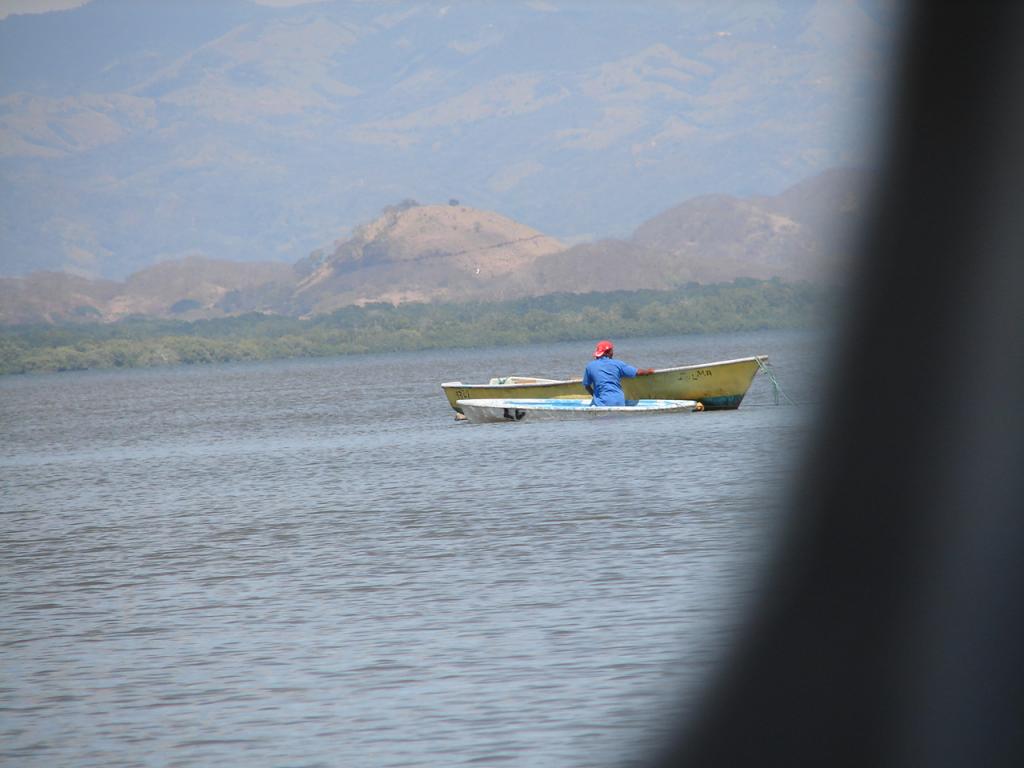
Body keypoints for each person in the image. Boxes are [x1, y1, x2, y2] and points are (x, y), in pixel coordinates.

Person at [582, 340, 654, 406]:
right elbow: (637, 372)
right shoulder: (618, 364)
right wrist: (648, 371)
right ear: (608, 352)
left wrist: (595, 396)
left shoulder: (590, 366)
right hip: (619, 402)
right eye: (612, 351)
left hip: (601, 403)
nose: (613, 353)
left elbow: (586, 386)